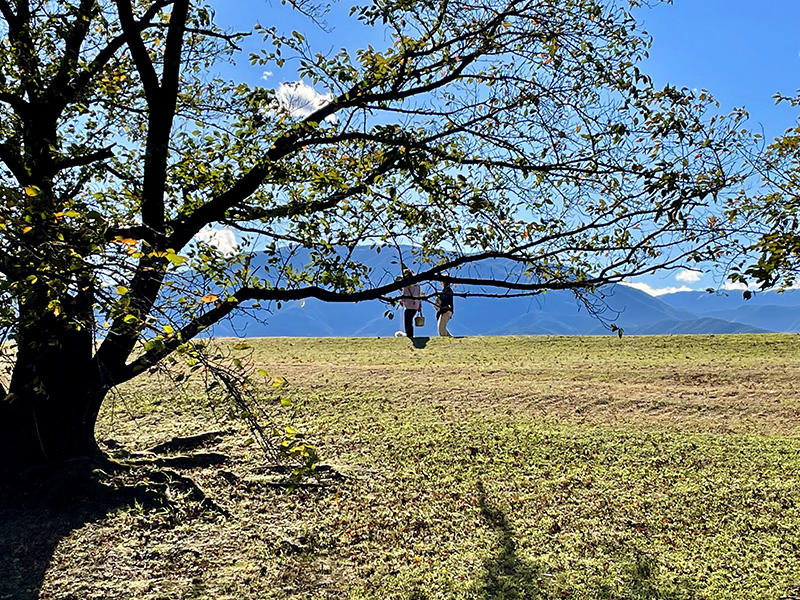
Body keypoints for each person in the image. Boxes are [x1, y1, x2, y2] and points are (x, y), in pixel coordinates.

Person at [400, 268, 421, 338]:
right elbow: (418, 295)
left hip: (409, 306)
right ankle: (410, 334)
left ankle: (409, 335)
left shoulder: (406, 286)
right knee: (410, 321)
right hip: (415, 306)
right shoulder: (417, 286)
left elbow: (405, 294)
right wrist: (419, 305)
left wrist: (401, 301)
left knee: (407, 321)